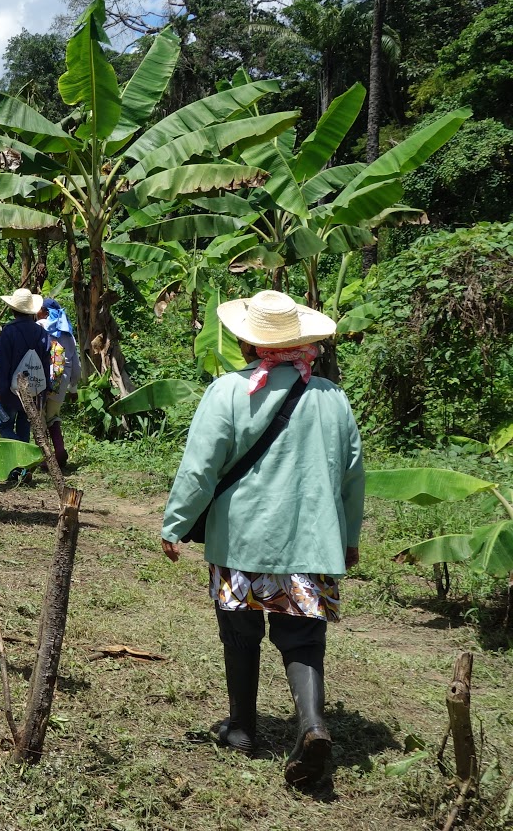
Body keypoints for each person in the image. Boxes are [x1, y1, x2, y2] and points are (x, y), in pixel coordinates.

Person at [160, 290, 364, 792]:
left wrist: (175, 522)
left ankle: (243, 728)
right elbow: (353, 475)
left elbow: (200, 466)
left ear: (246, 341)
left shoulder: (229, 392)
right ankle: (312, 724)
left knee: (240, 631)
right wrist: (350, 536)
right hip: (313, 539)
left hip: (243, 537)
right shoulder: (332, 397)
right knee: (303, 636)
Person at [0, 288, 50, 447]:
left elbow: (2, 363)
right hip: (32, 390)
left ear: (12, 309)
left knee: (4, 427)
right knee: (24, 429)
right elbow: (45, 362)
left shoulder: (9, 331)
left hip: (10, 392)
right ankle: (23, 468)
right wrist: (45, 388)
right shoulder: (41, 332)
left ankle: (20, 456)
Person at [36, 297, 81, 468]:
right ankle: (60, 452)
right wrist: (73, 387)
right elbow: (75, 365)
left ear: (45, 312)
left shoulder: (39, 327)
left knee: (39, 420)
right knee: (53, 418)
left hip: (40, 379)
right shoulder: (68, 334)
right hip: (60, 382)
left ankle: (45, 459)